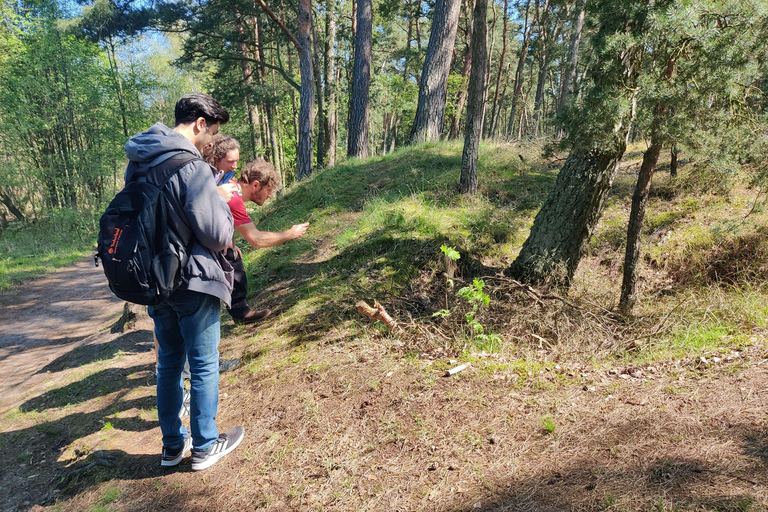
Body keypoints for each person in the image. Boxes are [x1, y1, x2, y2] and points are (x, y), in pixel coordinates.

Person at [124, 93, 244, 471]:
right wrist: (221, 200)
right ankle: (206, 446)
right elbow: (217, 234)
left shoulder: (138, 161)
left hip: (153, 280)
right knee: (204, 363)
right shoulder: (191, 167)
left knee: (168, 366)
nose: (212, 142)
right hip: (193, 281)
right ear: (198, 124)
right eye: (213, 132)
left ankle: (171, 447)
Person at [202, 140, 309, 324]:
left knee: (234, 257)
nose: (269, 196)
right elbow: (256, 239)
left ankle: (240, 312)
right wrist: (290, 234)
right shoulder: (234, 198)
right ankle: (234, 316)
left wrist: (232, 244)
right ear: (256, 185)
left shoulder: (231, 188)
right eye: (268, 190)